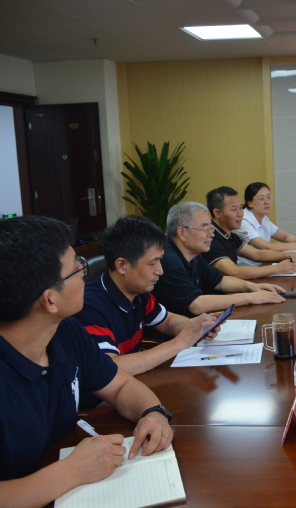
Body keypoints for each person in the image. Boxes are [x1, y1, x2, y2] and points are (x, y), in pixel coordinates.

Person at [0, 216, 174, 505]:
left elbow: (120, 386)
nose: (85, 271)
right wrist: (72, 471)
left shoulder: (65, 331)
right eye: (76, 267)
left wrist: (153, 413)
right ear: (50, 300)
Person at [74, 216, 220, 377]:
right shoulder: (90, 306)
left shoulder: (138, 292)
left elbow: (167, 321)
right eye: (152, 263)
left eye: (160, 261)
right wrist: (180, 342)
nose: (160, 271)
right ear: (122, 265)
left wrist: (197, 327)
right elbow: (109, 368)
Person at [152, 201, 286, 317]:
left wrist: (252, 286)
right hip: (175, 334)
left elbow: (220, 281)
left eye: (211, 228)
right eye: (205, 228)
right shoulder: (167, 260)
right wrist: (251, 297)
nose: (211, 234)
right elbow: (196, 304)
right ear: (182, 232)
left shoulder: (193, 254)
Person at [204, 186, 296, 280]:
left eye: (240, 208)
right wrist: (276, 268)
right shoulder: (210, 238)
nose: (240, 214)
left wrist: (289, 255)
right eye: (234, 209)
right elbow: (234, 272)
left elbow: (257, 254)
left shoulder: (229, 234)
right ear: (217, 213)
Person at [235, 181, 296, 267]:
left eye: (269, 197)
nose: (267, 202)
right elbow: (266, 247)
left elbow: (284, 236)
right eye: (262, 198)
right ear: (250, 203)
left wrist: (294, 239)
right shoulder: (243, 220)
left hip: (264, 263)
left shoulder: (263, 218)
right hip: (249, 269)